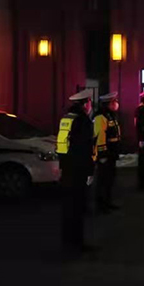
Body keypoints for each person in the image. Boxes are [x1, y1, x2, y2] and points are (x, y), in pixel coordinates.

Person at [56, 89, 96, 254]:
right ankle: (77, 244)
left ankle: (67, 242)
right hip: (79, 169)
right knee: (78, 208)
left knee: (68, 207)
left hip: (67, 168)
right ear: (86, 103)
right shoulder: (83, 121)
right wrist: (89, 171)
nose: (90, 105)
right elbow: (85, 148)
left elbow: (62, 144)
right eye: (90, 102)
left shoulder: (67, 118)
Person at [93, 92, 122, 213]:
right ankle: (101, 205)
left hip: (112, 152)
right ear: (108, 104)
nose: (116, 104)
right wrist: (102, 155)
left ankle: (108, 202)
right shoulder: (101, 117)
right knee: (103, 180)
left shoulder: (110, 115)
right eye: (114, 102)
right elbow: (100, 137)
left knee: (110, 179)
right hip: (105, 153)